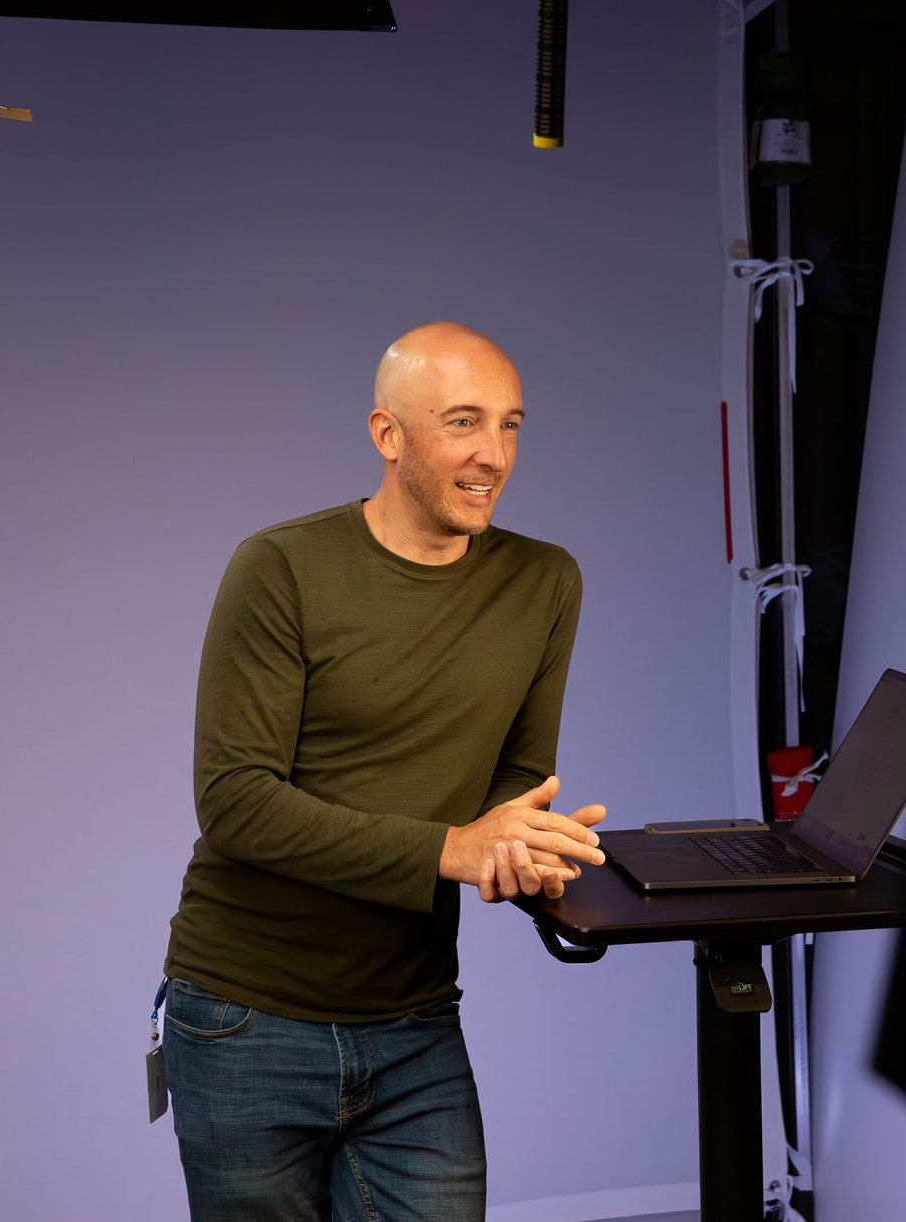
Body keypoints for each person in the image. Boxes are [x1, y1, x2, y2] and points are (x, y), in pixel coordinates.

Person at [159, 321, 606, 1220]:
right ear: (388, 434)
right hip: (246, 1020)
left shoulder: (544, 581)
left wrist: (521, 844)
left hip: (413, 1021)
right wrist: (456, 849)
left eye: (511, 424)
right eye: (463, 423)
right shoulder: (281, 567)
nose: (493, 455)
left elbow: (516, 776)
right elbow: (236, 803)